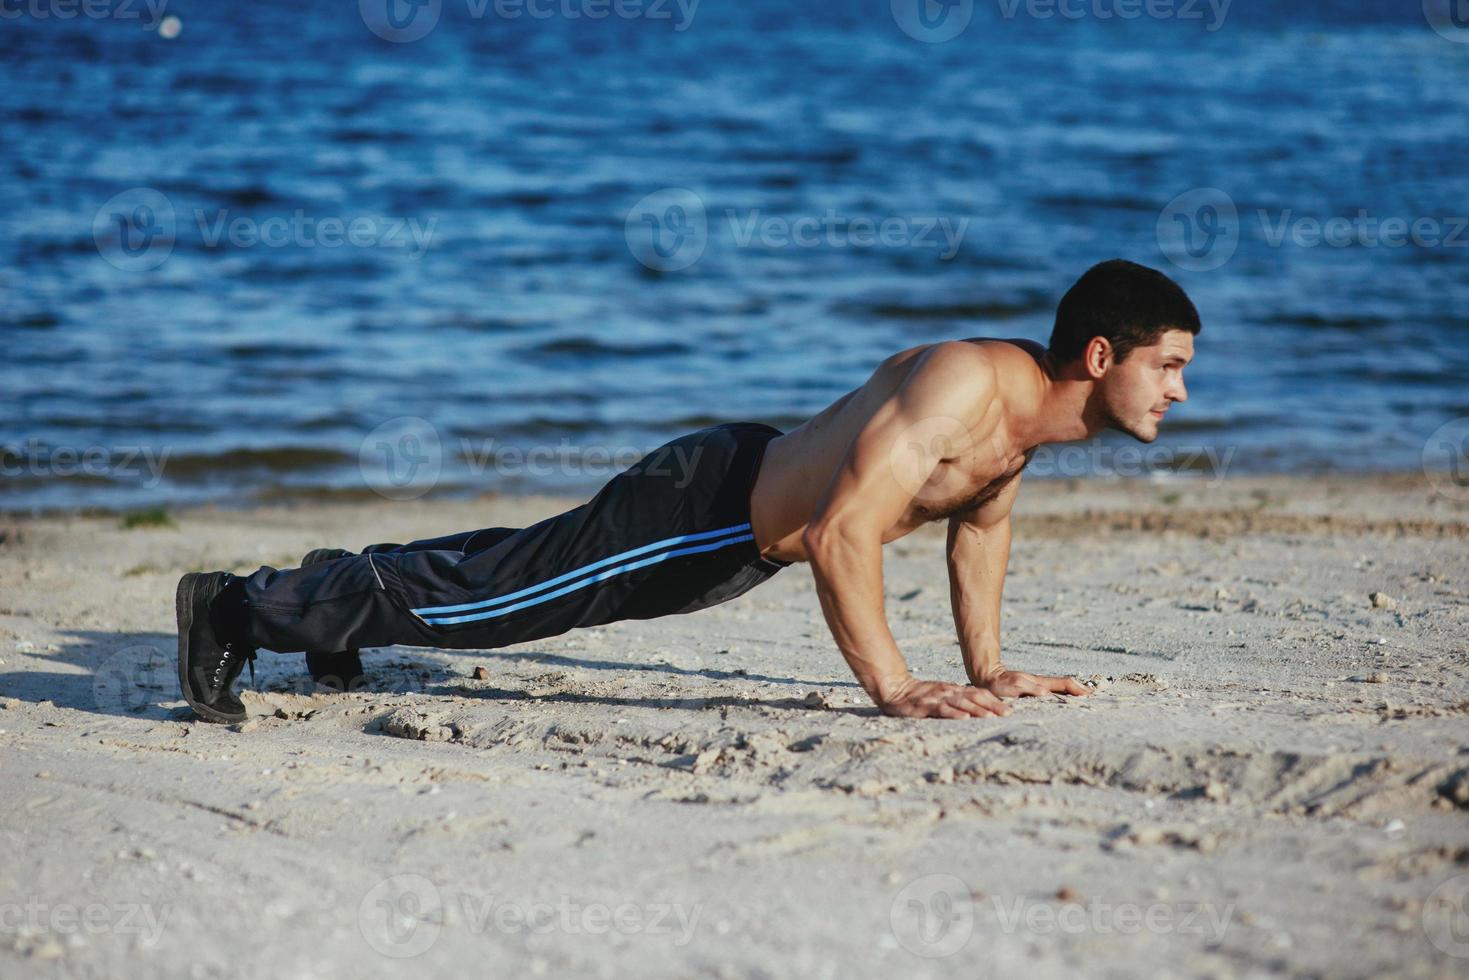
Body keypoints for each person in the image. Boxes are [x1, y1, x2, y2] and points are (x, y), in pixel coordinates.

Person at [177, 258, 1199, 723]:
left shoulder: (1021, 431)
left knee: (512, 569)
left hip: (730, 528)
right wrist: (891, 685)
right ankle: (235, 605)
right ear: (1100, 353)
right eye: (1166, 365)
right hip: (704, 507)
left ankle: (327, 595)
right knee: (494, 603)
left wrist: (987, 667)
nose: (1179, 389)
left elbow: (976, 532)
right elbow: (847, 529)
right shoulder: (967, 381)